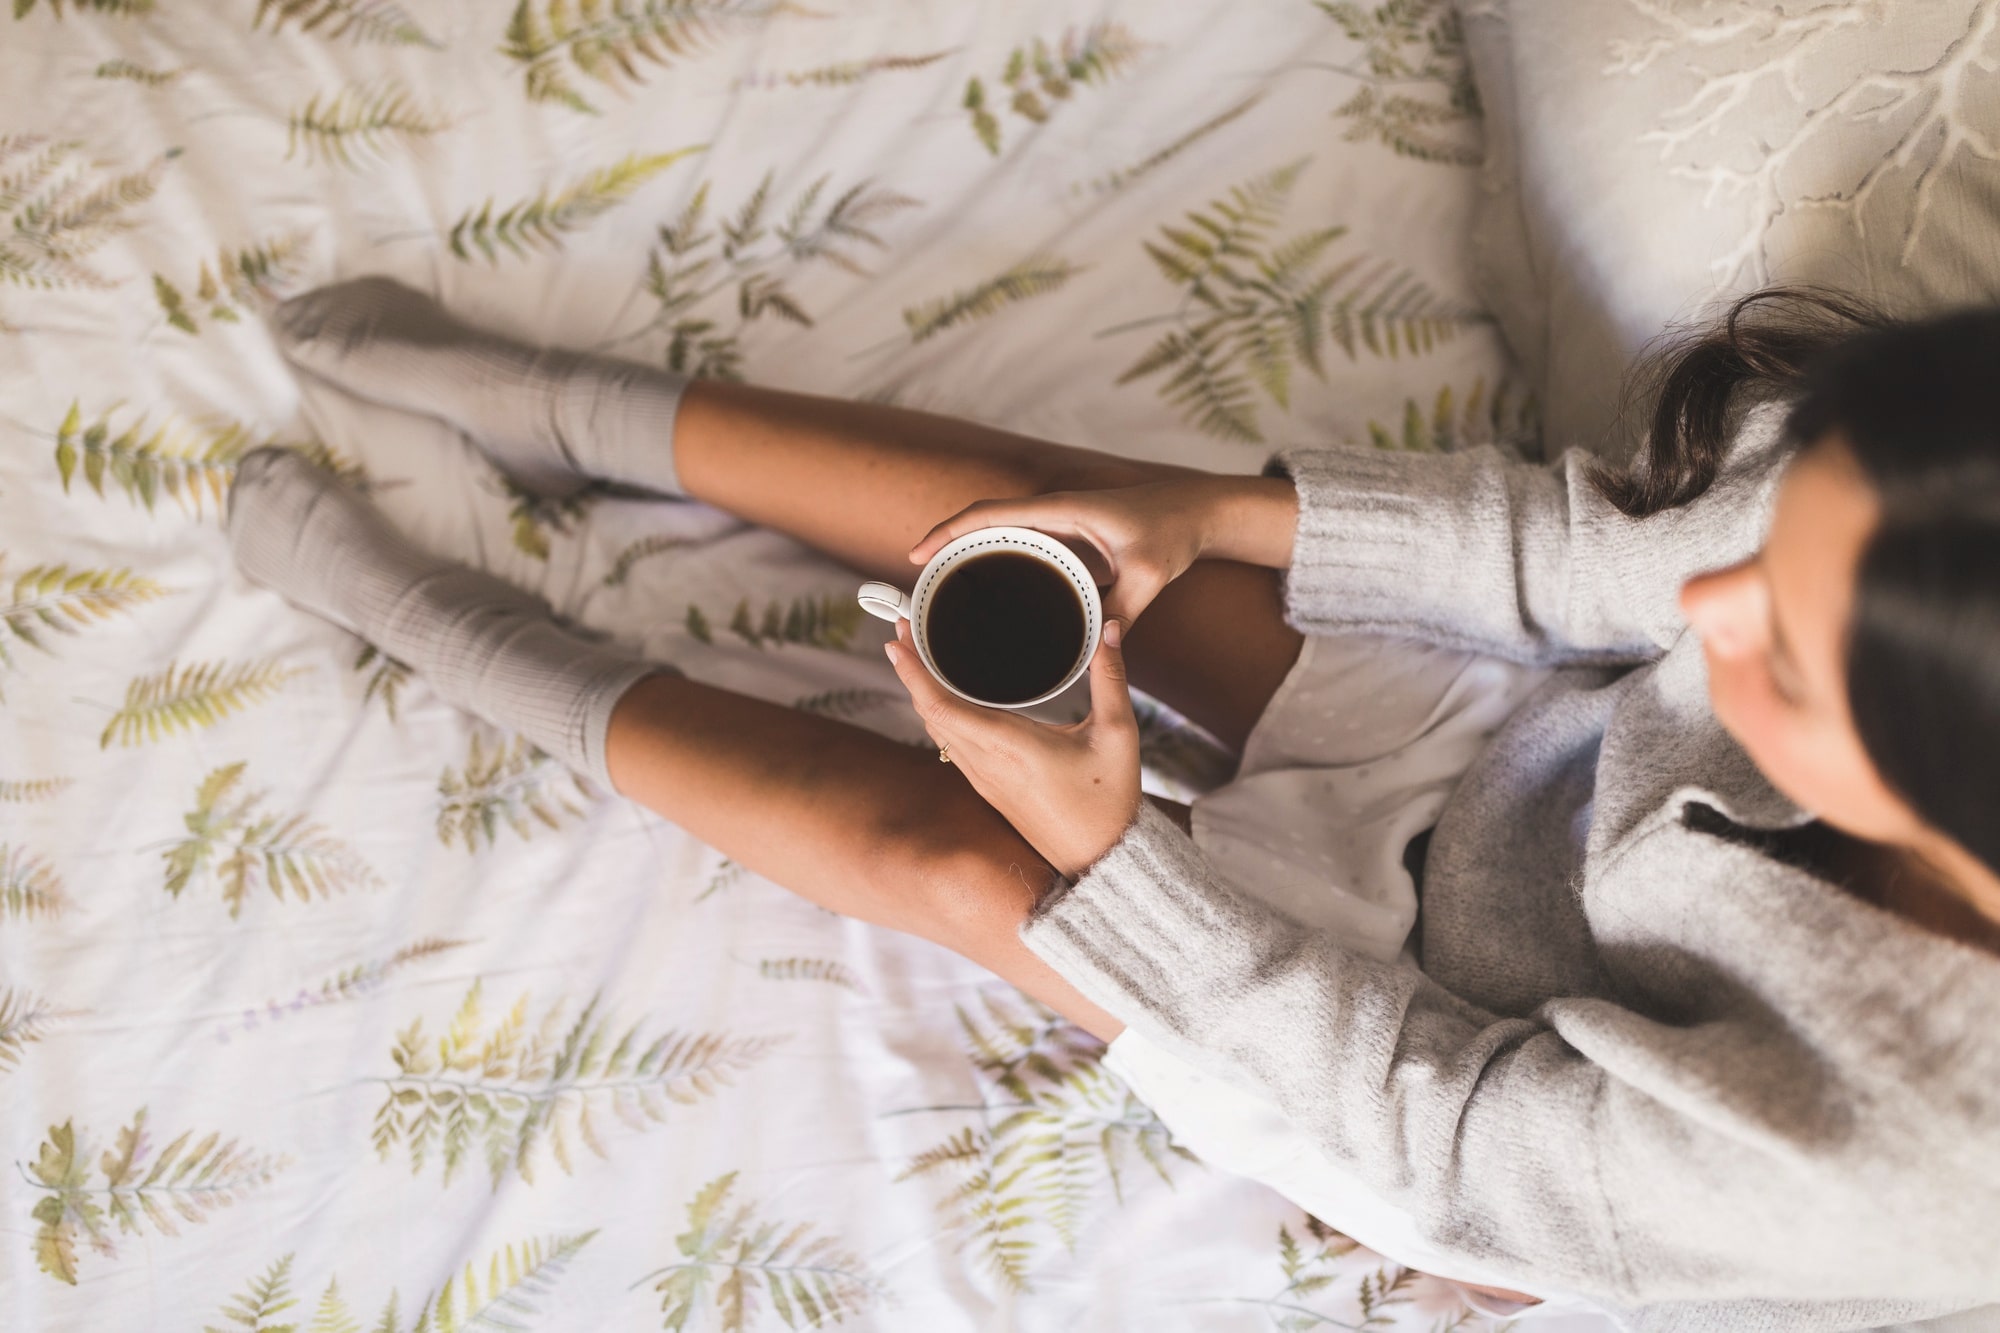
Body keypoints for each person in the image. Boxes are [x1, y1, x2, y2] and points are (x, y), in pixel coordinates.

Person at [228, 280, 2000, 1330]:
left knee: (942, 852)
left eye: (1783, 660)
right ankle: (552, 409)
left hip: (1458, 1066)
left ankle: (428, 622)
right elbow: (1580, 554)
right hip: (1528, 754)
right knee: (1042, 523)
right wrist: (1209, 517)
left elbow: (1444, 1133)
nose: (1708, 620)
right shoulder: (1950, 508)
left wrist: (1100, 848)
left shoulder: (1900, 1171)